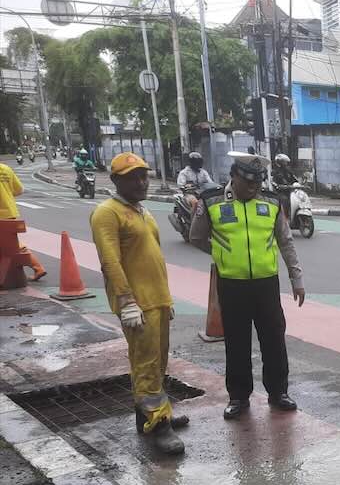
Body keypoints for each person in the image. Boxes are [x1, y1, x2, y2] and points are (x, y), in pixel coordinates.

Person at [189, 151, 305, 419]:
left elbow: (286, 242)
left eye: (258, 183)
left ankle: (278, 392)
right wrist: (222, 254)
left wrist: (296, 278)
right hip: (232, 285)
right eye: (248, 182)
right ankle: (239, 397)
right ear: (234, 177)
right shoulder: (211, 201)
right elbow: (196, 237)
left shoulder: (272, 202)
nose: (254, 188)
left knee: (274, 340)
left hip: (266, 285)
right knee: (237, 343)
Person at [90, 153, 185, 455]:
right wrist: (126, 300)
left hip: (156, 299)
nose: (142, 182)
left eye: (144, 175)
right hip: (137, 305)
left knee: (158, 362)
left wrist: (165, 297)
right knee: (145, 365)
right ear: (117, 180)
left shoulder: (143, 212)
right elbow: (110, 261)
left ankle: (151, 414)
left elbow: (153, 259)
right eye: (134, 177)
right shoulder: (108, 213)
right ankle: (159, 426)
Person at [0, 160, 46, 281]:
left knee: (12, 245)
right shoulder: (6, 169)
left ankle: (37, 267)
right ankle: (37, 267)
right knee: (11, 244)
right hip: (10, 212)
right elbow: (19, 190)